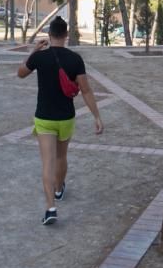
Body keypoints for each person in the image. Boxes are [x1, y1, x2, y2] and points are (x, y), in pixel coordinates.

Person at [17, 16, 104, 225]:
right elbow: (86, 90)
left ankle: (50, 208)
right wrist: (97, 116)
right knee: (61, 157)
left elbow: (20, 74)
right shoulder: (75, 59)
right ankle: (58, 189)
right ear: (66, 35)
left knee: (47, 162)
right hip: (65, 117)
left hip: (44, 118)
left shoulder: (40, 57)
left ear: (49, 35)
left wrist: (34, 51)